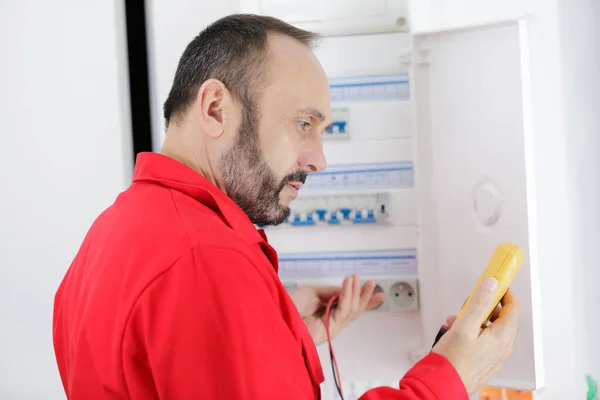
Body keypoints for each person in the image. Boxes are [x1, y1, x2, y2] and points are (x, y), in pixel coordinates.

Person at [52, 13, 521, 399]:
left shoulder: (110, 234)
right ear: (215, 108)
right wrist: (450, 378)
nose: (318, 159)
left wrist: (280, 339)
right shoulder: (204, 258)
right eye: (303, 124)